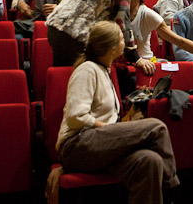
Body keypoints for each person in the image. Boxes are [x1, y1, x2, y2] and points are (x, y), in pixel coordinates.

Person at [55, 21, 179, 204]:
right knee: (157, 127)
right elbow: (76, 117)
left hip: (98, 147)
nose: (128, 43)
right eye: (122, 39)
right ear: (112, 48)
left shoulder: (104, 70)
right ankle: (173, 191)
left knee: (149, 161)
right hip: (76, 147)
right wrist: (107, 128)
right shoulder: (87, 70)